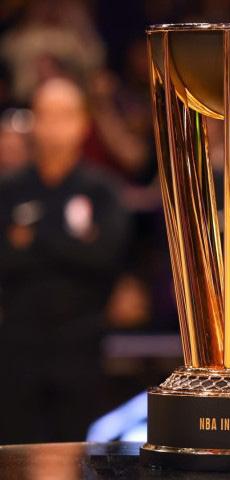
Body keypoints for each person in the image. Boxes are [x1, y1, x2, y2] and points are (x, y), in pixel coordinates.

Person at [0, 77, 130, 443]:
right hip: (18, 342)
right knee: (18, 446)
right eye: (46, 114)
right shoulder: (9, 189)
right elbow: (5, 259)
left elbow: (106, 256)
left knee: (77, 447)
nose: (55, 125)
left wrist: (34, 239)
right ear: (34, 121)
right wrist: (71, 243)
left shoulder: (102, 190)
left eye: (65, 115)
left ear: (83, 123)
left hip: (81, 341)